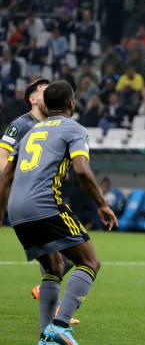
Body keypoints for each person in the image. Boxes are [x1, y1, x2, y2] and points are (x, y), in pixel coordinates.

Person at [0, 80, 118, 345]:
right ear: (71, 103)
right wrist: (101, 203)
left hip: (17, 211)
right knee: (90, 262)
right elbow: (82, 171)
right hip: (45, 205)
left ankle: (46, 337)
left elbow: (6, 176)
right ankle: (61, 325)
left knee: (53, 267)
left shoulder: (31, 131)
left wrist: (0, 216)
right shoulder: (74, 128)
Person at [0, 78, 80, 324]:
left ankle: (49, 305)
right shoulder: (21, 125)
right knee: (74, 253)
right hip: (27, 199)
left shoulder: (52, 126)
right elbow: (3, 156)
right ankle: (53, 314)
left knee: (56, 254)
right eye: (44, 92)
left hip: (44, 196)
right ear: (33, 99)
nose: (50, 95)